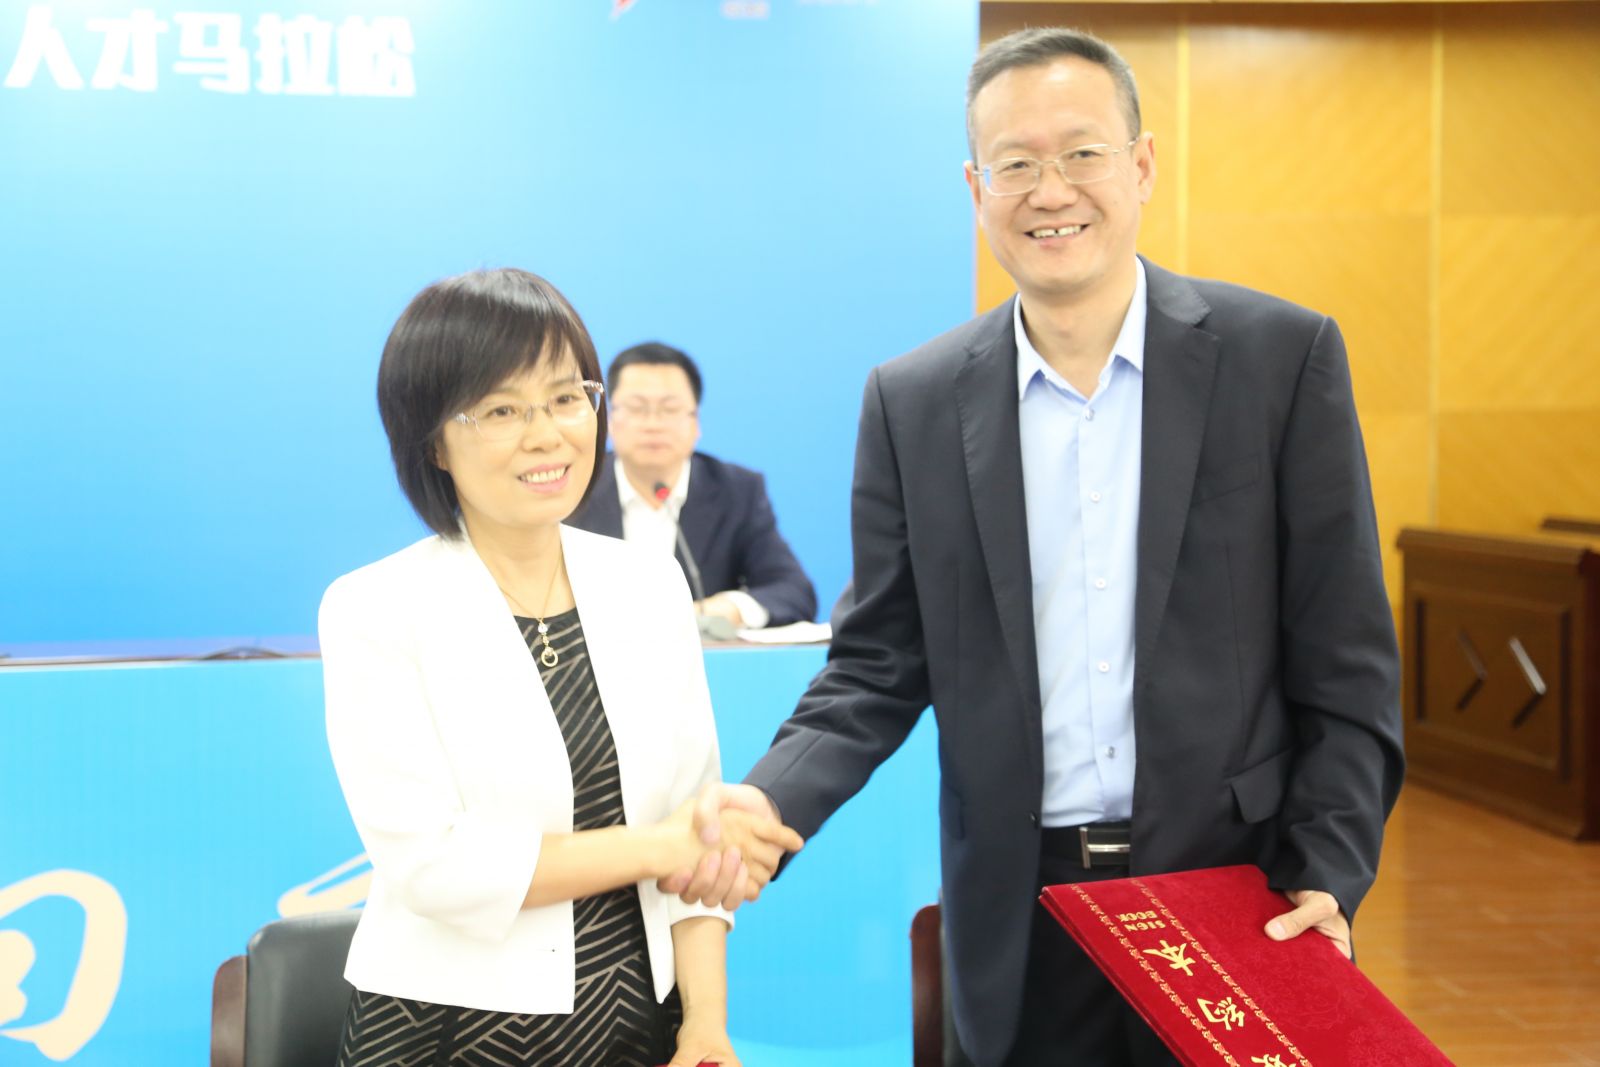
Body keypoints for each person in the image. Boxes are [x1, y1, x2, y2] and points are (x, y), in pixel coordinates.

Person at [665, 27, 1404, 1067]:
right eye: (1015, 163)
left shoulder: (1280, 360)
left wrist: (1327, 867)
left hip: (1237, 896)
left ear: (1141, 165)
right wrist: (769, 798)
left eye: (1082, 153)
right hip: (1018, 914)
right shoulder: (913, 401)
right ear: (977, 187)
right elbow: (877, 662)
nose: (1050, 190)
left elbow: (1346, 661)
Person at [318, 269, 803, 1067]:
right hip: (450, 1031)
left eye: (566, 397)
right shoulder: (375, 606)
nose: (547, 434)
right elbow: (437, 867)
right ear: (433, 440)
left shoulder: (649, 584)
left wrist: (705, 1023)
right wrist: (661, 846)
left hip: (643, 1021)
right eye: (502, 409)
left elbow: (696, 823)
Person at [567, 342, 818, 630]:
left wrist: (730, 608)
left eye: (670, 409)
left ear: (695, 422)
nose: (653, 424)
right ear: (610, 419)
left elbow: (792, 590)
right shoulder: (576, 486)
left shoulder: (736, 491)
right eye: (636, 408)